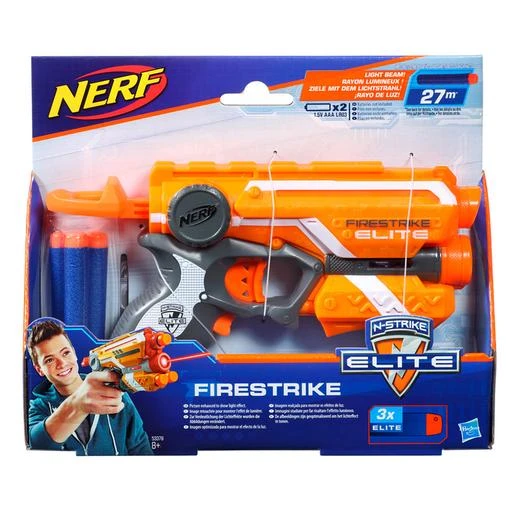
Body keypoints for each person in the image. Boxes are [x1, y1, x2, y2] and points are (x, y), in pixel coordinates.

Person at [27, 319, 153, 455]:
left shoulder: (114, 391)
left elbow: (141, 447)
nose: (62, 363)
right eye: (49, 360)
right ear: (39, 369)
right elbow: (37, 444)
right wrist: (78, 405)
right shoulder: (38, 407)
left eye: (65, 353)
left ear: (74, 353)